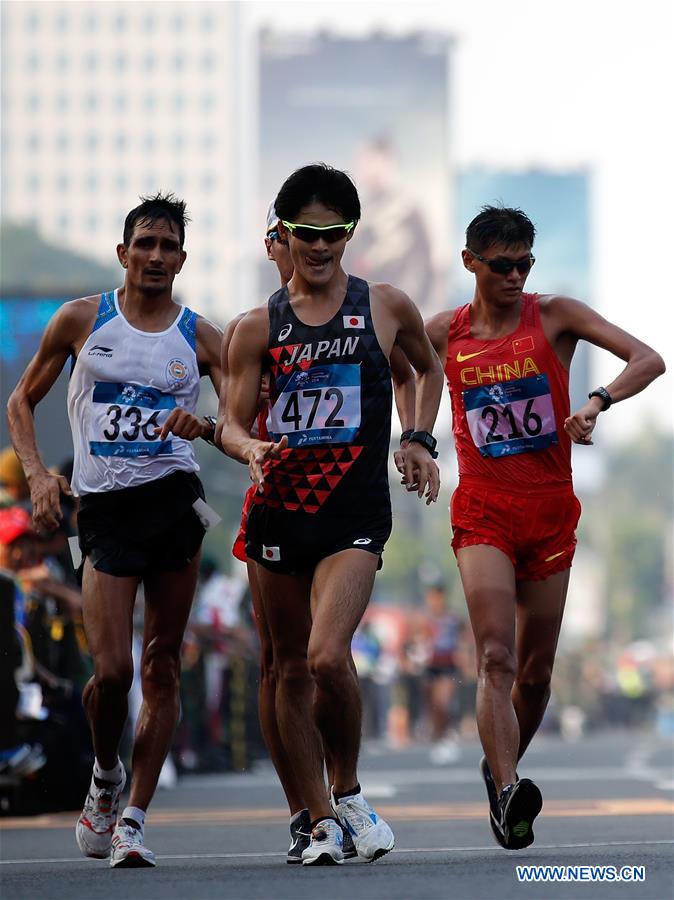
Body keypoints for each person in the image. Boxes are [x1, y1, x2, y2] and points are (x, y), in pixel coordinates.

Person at [221, 163, 444, 866]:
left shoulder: (384, 305)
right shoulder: (257, 327)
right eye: (307, 234)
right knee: (287, 667)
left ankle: (346, 789)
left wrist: (416, 438)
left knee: (326, 656)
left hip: (352, 509)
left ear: (350, 234)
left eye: (334, 234)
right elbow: (227, 421)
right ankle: (319, 821)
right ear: (284, 234)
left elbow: (425, 368)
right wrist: (247, 444)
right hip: (278, 513)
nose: (320, 247)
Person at [425, 205, 665, 850]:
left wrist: (596, 402)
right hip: (483, 508)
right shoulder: (442, 332)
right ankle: (509, 791)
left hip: (550, 508)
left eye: (524, 265)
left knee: (535, 676)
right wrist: (414, 438)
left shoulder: (554, 315)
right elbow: (392, 370)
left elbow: (649, 358)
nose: (514, 276)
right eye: (501, 265)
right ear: (470, 262)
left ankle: (496, 763)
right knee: (495, 655)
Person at [7, 193, 224, 868]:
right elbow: (23, 400)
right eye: (145, 245)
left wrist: (213, 428)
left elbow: (250, 411)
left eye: (168, 248)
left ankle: (132, 819)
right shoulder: (82, 320)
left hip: (175, 502)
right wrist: (42, 475)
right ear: (124, 253)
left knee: (161, 664)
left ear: (181, 260)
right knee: (112, 671)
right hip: (101, 512)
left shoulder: (200, 336)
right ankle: (106, 776)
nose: (156, 257)